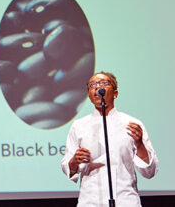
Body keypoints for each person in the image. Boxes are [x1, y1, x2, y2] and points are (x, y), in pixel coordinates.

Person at [61, 71, 159, 206]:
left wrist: (140, 144)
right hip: (91, 201)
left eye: (103, 83)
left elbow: (150, 171)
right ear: (89, 95)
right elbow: (69, 168)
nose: (97, 87)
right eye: (92, 85)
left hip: (125, 200)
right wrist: (74, 161)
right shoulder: (79, 126)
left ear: (115, 93)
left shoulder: (132, 124)